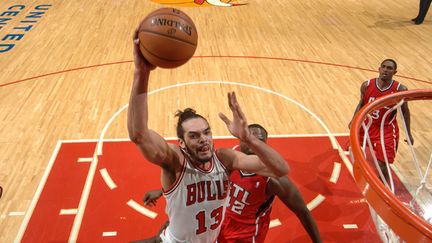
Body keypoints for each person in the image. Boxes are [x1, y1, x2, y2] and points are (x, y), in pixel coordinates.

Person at [128, 26, 289, 243]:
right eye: (194, 136)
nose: (203, 139)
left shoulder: (224, 159)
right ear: (182, 143)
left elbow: (280, 169)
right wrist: (142, 73)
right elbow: (139, 134)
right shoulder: (175, 160)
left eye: (206, 132)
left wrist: (249, 138)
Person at [140, 124, 321, 243]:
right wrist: (163, 191)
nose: (252, 146)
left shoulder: (273, 179)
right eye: (249, 140)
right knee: (171, 229)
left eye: (259, 142)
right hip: (219, 222)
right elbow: (201, 182)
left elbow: (302, 211)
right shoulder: (229, 160)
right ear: (240, 140)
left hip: (245, 235)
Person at [348, 59, 413, 183]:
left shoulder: (400, 89)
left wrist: (408, 133)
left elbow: (405, 111)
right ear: (379, 69)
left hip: (386, 129)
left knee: (382, 164)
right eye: (383, 67)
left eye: (389, 68)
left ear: (395, 72)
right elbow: (361, 104)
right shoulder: (367, 85)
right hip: (367, 125)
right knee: (356, 152)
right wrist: (354, 120)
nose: (385, 70)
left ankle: (384, 187)